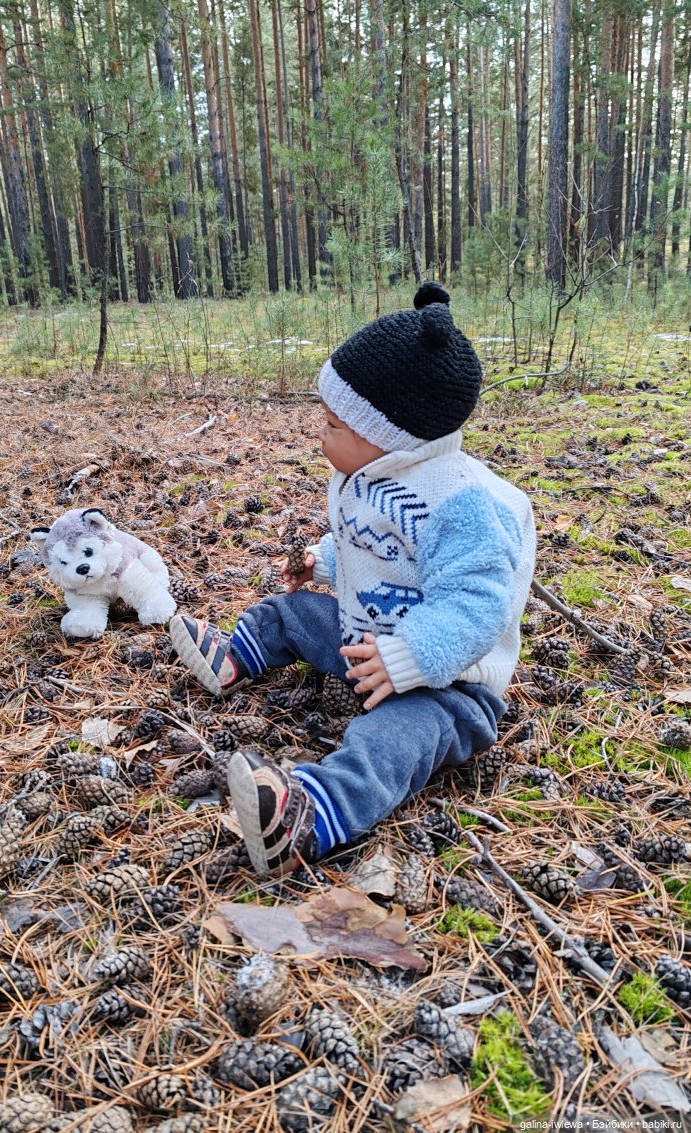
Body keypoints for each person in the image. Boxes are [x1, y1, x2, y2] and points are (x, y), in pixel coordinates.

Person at [169, 283, 536, 878]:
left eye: (335, 424)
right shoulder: (372, 475)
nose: (322, 433)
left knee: (392, 740)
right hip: (365, 639)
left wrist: (410, 657)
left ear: (390, 436)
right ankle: (235, 655)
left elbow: (478, 604)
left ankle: (314, 813)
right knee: (290, 613)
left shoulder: (462, 505)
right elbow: (368, 546)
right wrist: (322, 562)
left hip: (448, 681)